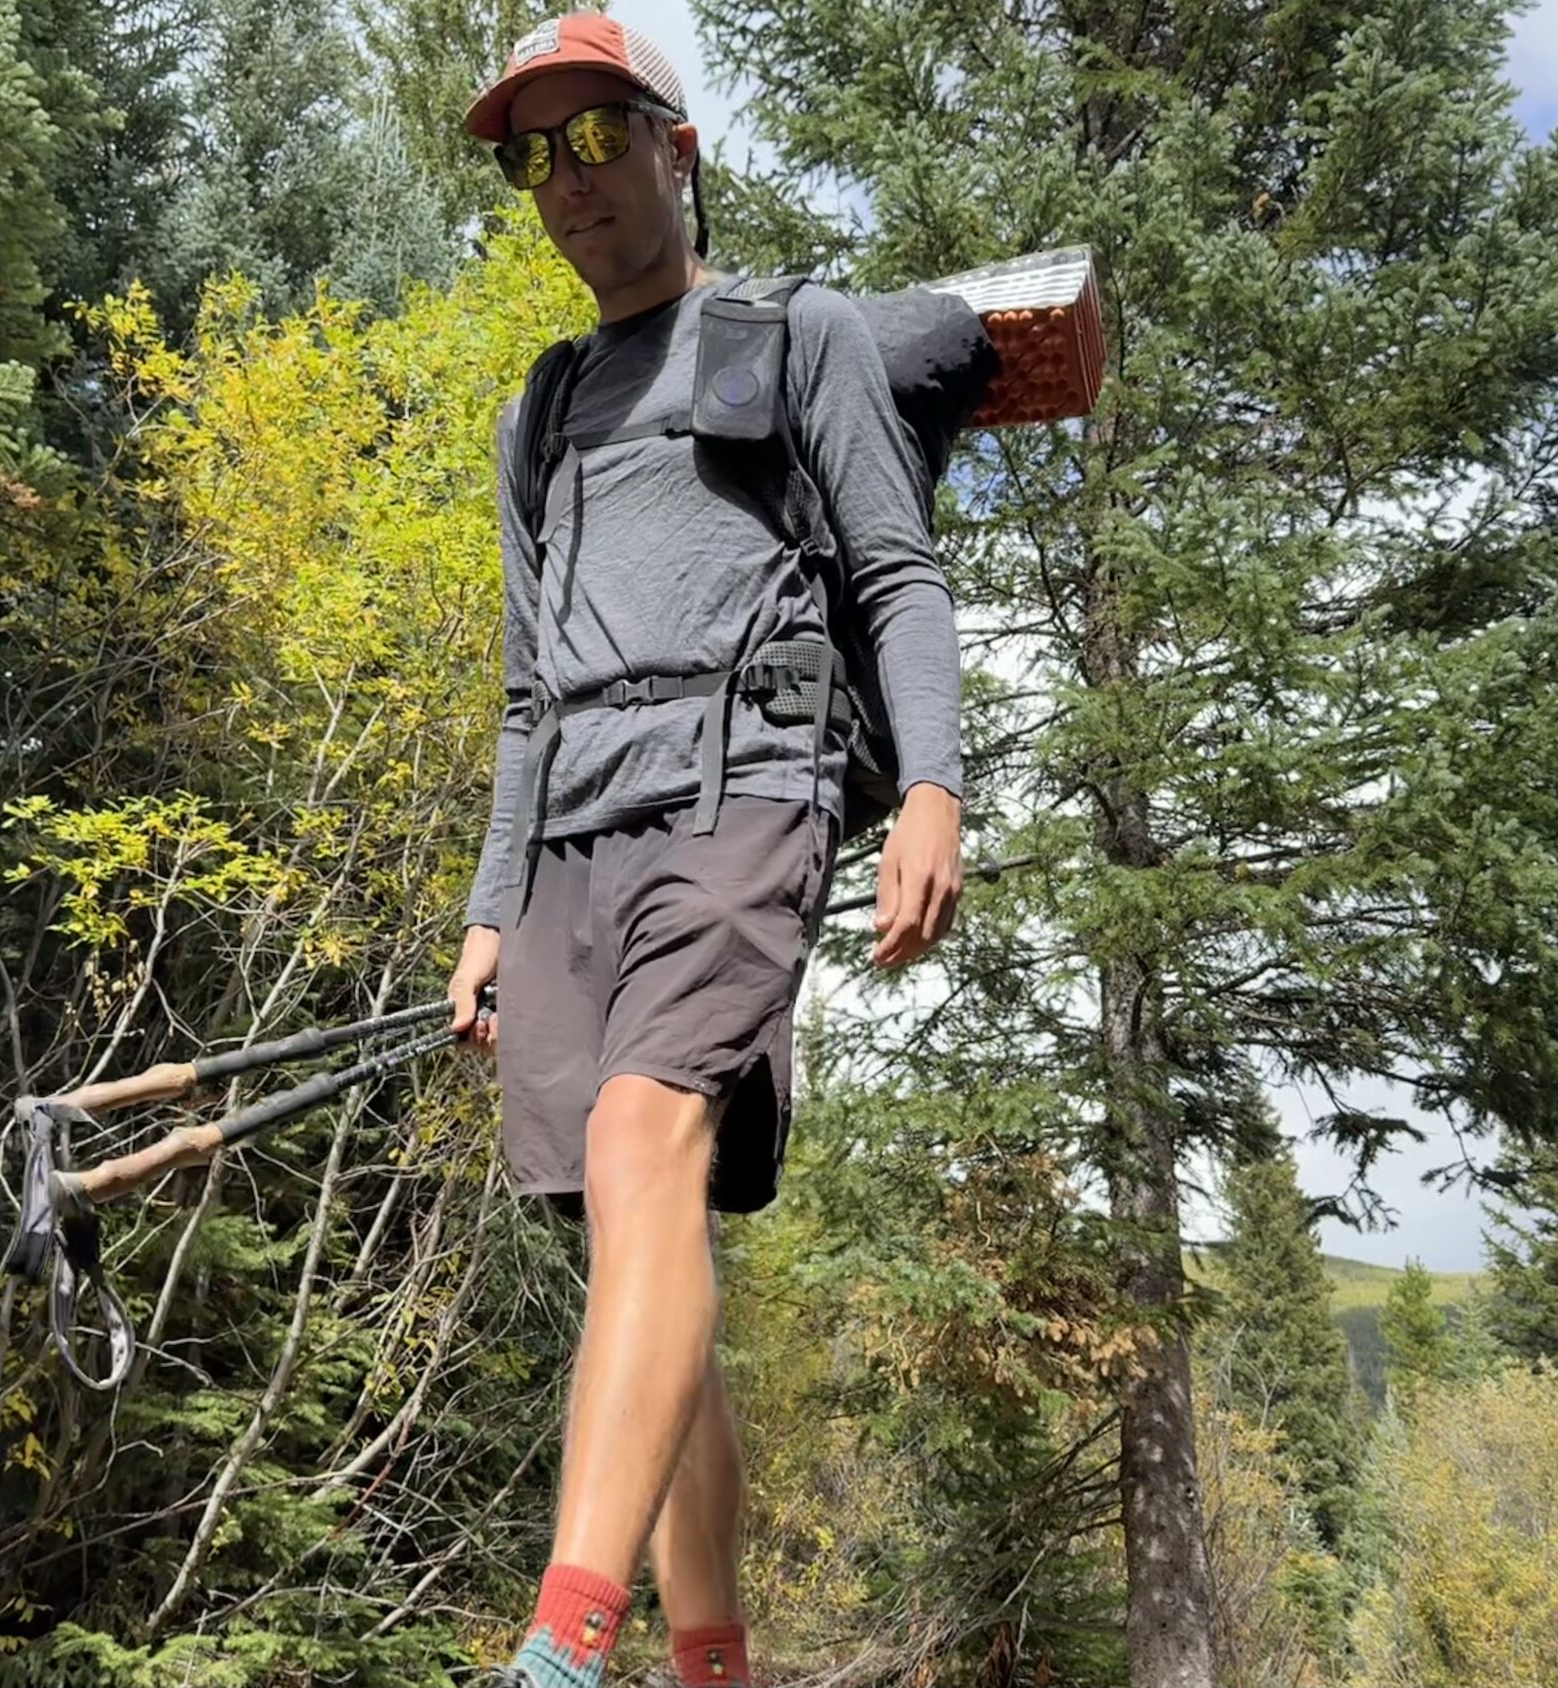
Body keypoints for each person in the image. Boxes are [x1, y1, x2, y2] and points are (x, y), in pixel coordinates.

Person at [443, 14, 966, 1688]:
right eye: (535, 157)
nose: (567, 182)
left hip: (745, 791)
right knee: (637, 1241)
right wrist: (488, 910)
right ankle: (710, 1662)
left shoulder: (789, 337)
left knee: (647, 1146)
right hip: (575, 841)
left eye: (596, 139)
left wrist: (938, 790)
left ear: (676, 150)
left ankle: (561, 1647)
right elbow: (530, 696)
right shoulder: (540, 413)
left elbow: (893, 573)